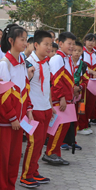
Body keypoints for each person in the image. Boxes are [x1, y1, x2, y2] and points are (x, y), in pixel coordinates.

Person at [0, 25, 32, 190]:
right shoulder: (4, 64)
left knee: (15, 156)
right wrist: (12, 117)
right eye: (22, 39)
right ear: (11, 41)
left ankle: (10, 188)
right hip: (6, 122)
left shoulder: (22, 62)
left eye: (26, 39)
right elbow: (2, 95)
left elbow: (25, 88)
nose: (25, 43)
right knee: (2, 157)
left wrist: (28, 109)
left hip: (19, 120)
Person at [42, 32, 77, 170]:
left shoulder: (67, 58)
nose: (72, 46)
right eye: (69, 43)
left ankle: (55, 152)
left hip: (66, 99)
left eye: (73, 44)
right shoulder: (58, 59)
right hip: (59, 99)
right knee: (59, 127)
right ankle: (50, 153)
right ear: (60, 43)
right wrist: (62, 98)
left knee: (64, 127)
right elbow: (56, 80)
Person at [77, 33, 96, 135]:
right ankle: (80, 126)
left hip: (94, 83)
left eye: (93, 41)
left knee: (90, 105)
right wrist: (91, 72)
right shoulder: (81, 52)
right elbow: (79, 65)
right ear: (85, 41)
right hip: (84, 82)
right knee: (82, 104)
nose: (91, 43)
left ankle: (86, 123)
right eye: (89, 40)